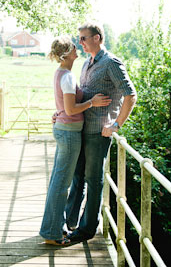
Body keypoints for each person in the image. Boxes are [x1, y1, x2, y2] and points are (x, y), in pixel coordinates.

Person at [65, 22, 137, 243]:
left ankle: (86, 230)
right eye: (80, 38)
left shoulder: (111, 63)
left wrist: (116, 125)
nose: (81, 42)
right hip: (81, 129)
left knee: (93, 180)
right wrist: (61, 113)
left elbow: (130, 95)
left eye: (84, 38)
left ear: (97, 38)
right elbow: (82, 95)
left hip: (99, 133)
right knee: (77, 177)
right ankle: (69, 223)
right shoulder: (87, 63)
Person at [39, 36, 111, 245]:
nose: (77, 48)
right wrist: (92, 102)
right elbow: (71, 109)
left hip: (66, 130)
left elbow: (65, 106)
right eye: (73, 47)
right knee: (61, 183)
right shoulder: (68, 77)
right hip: (69, 133)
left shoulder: (62, 73)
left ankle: (52, 228)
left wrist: (60, 112)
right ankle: (51, 233)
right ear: (66, 53)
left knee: (58, 181)